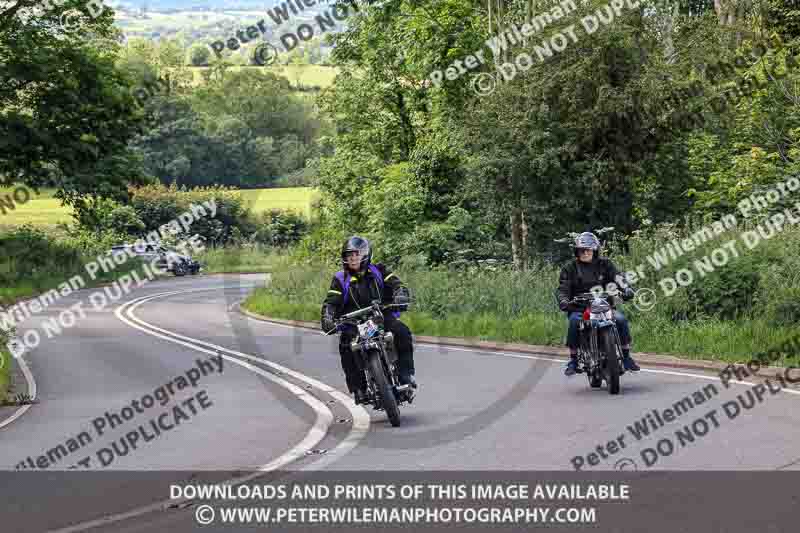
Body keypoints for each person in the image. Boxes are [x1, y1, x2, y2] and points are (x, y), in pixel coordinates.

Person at [320, 236, 416, 405]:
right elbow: (331, 302)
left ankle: (405, 374)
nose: (353, 258)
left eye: (356, 254)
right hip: (354, 322)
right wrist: (327, 317)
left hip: (380, 315)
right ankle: (359, 388)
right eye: (349, 256)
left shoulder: (379, 270)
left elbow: (396, 284)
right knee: (346, 347)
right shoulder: (340, 279)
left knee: (402, 332)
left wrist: (400, 294)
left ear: (365, 254)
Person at [557, 232, 640, 376]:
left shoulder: (605, 264)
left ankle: (626, 357)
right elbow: (563, 288)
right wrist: (564, 300)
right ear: (576, 251)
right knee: (574, 322)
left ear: (595, 250)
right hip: (580, 307)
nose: (585, 252)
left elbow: (618, 278)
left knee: (620, 319)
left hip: (603, 306)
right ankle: (574, 360)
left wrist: (626, 289)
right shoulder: (569, 268)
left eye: (588, 249)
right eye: (582, 250)